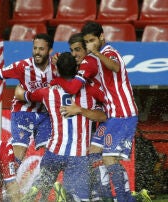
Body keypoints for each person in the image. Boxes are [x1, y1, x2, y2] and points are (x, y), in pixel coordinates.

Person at [15, 52, 107, 202]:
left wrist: (20, 89)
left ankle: (37, 190)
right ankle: (64, 196)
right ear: (77, 68)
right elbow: (103, 116)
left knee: (43, 187)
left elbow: (22, 95)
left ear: (57, 70)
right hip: (78, 155)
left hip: (53, 152)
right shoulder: (89, 91)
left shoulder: (47, 92)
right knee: (78, 198)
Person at [81, 21, 149, 202]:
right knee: (94, 150)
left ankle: (124, 198)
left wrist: (95, 52)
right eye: (87, 41)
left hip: (123, 114)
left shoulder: (110, 52)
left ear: (101, 37)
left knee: (110, 158)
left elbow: (116, 67)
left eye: (92, 40)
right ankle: (102, 195)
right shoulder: (97, 57)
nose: (90, 44)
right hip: (111, 115)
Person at [0, 34, 57, 166]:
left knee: (50, 151)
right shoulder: (22, 66)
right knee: (19, 152)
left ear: (50, 51)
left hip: (46, 114)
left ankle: (42, 185)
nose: (37, 52)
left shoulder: (57, 67)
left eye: (41, 49)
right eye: (35, 48)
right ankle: (7, 182)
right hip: (23, 111)